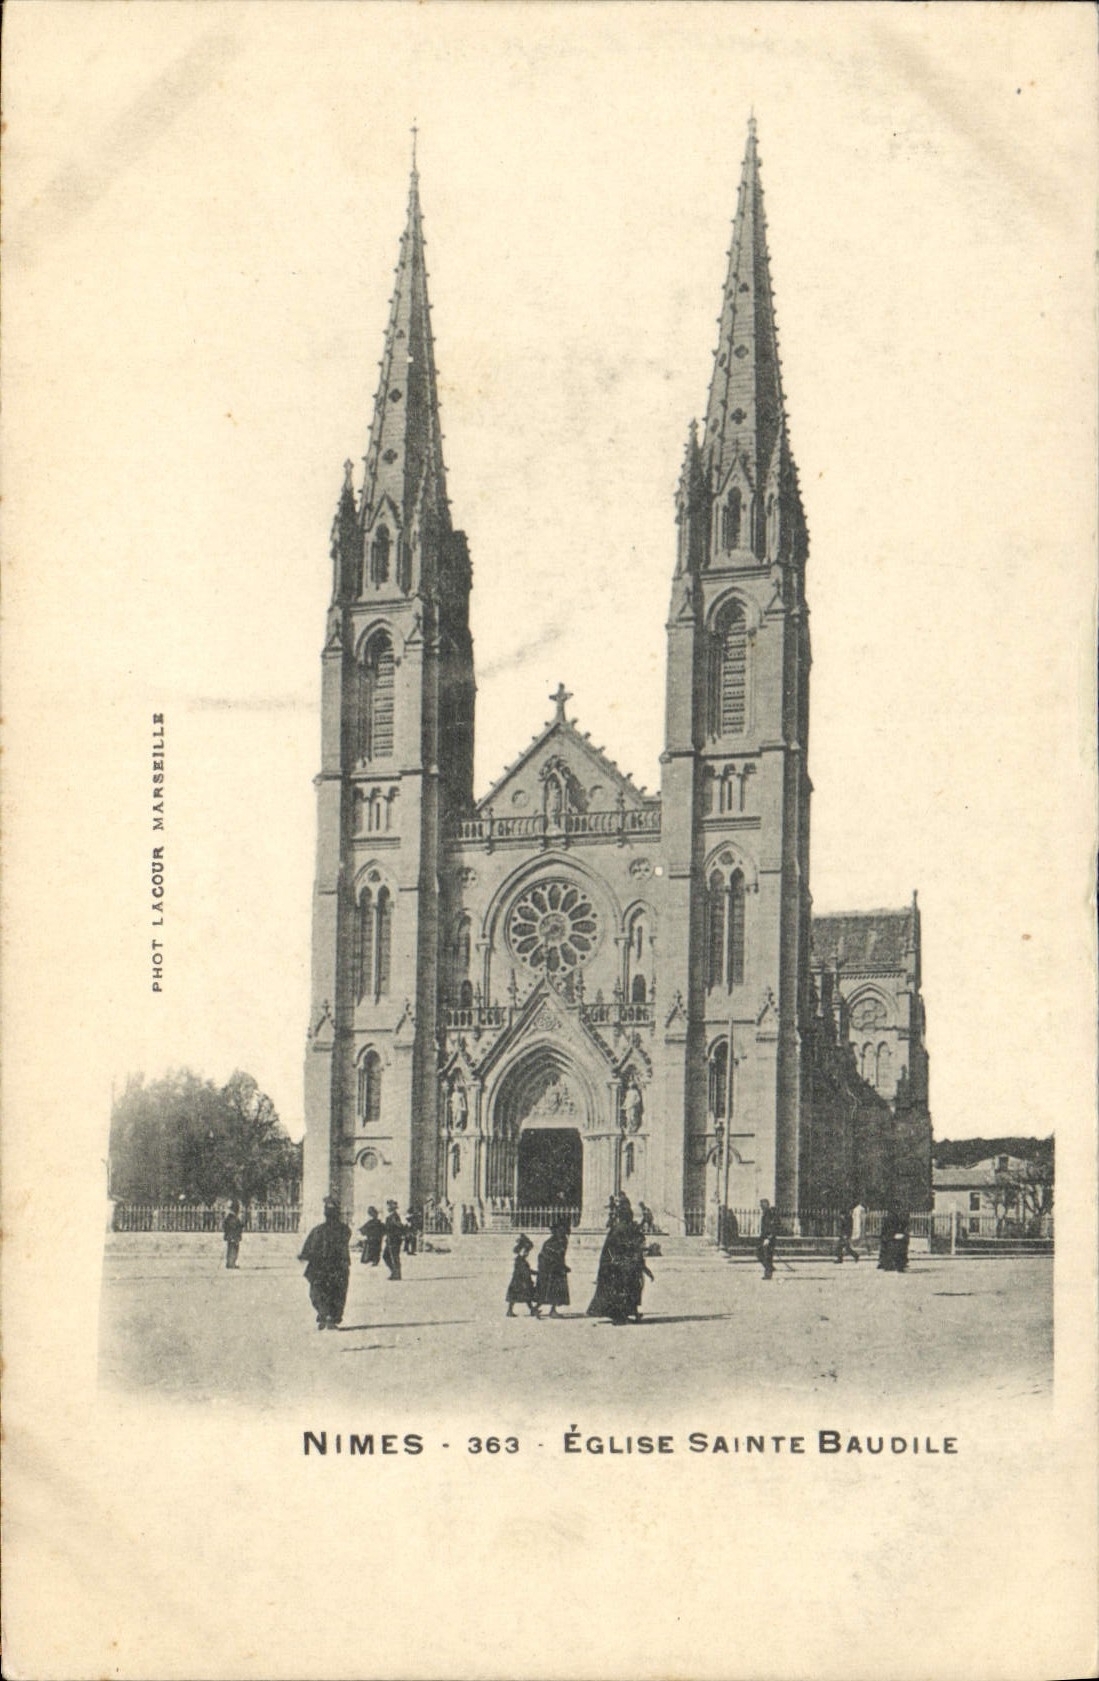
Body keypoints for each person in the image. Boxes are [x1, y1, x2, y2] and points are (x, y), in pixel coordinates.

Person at [587, 1197, 652, 1324]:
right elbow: (623, 1247)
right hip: (620, 1266)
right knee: (623, 1290)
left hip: (615, 1265)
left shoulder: (618, 1228)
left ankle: (624, 1314)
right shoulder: (623, 1229)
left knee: (622, 1290)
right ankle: (620, 1316)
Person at [298, 1197, 352, 1329]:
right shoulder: (344, 1230)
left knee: (319, 1292)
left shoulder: (318, 1230)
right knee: (336, 1293)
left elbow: (309, 1248)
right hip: (338, 1267)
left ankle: (324, 1315)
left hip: (321, 1268)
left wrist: (305, 1256)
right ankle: (330, 1317)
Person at [535, 1227, 570, 1317]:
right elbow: (549, 1256)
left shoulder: (560, 1241)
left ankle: (544, 1309)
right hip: (551, 1271)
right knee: (550, 1291)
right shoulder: (553, 1242)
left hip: (554, 1269)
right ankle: (549, 1311)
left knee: (550, 1292)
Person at [506, 1235, 540, 1317]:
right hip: (520, 1281)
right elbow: (524, 1271)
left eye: (527, 1251)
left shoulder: (522, 1260)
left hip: (522, 1280)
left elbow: (527, 1270)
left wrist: (536, 1273)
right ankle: (510, 1311)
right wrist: (534, 1273)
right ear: (519, 1251)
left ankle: (531, 1309)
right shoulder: (519, 1260)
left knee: (526, 1297)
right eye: (525, 1251)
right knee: (518, 1296)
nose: (527, 1253)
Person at [382, 1201, 406, 1280]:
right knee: (386, 1256)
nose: (387, 1208)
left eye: (388, 1206)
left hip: (394, 1239)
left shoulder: (394, 1216)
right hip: (390, 1239)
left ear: (392, 1207)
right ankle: (394, 1272)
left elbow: (399, 1226)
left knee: (394, 1257)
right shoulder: (391, 1216)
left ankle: (396, 1274)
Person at [757, 1198, 779, 1280]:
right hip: (764, 1237)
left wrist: (769, 1238)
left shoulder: (770, 1214)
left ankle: (768, 1274)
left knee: (767, 1256)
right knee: (759, 1253)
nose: (760, 1206)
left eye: (762, 1205)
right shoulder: (766, 1213)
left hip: (769, 1238)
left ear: (766, 1205)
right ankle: (770, 1268)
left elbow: (773, 1227)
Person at [222, 1200, 243, 1269]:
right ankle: (231, 1264)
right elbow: (235, 1227)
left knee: (231, 1249)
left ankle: (230, 1263)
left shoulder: (230, 1217)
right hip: (233, 1236)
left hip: (231, 1236)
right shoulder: (232, 1218)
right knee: (233, 1250)